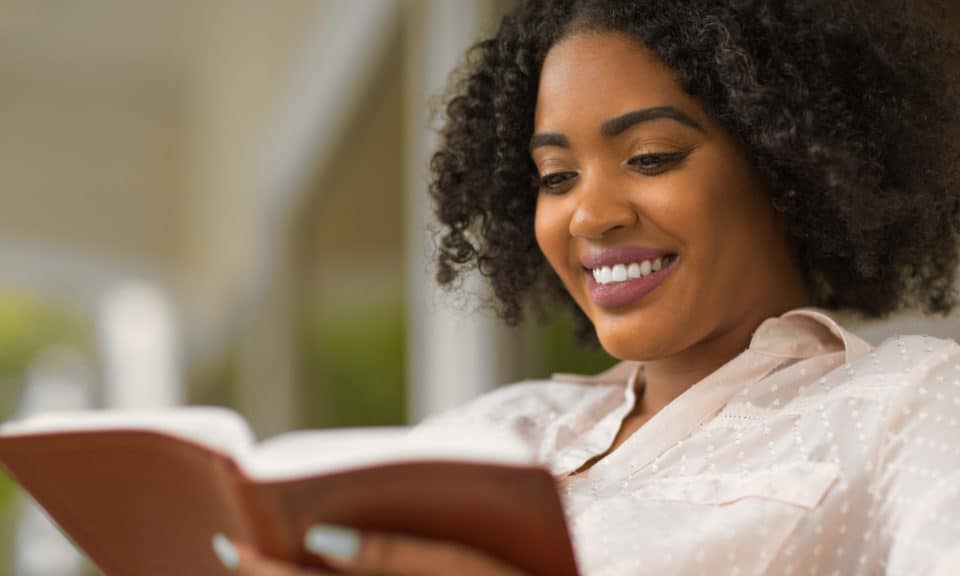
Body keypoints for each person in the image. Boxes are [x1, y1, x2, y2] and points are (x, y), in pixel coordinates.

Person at [220, 0, 960, 574]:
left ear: (785, 165)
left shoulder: (905, 407)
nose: (591, 216)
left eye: (650, 156)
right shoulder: (493, 432)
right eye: (556, 177)